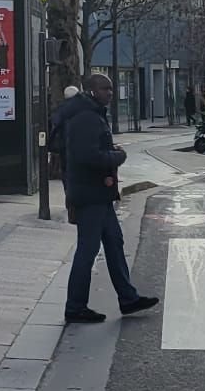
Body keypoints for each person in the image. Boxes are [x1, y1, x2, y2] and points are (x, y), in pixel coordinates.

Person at [59, 74, 159, 324]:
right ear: (92, 91)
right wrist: (117, 157)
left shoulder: (92, 114)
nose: (111, 93)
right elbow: (88, 156)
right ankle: (75, 307)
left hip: (98, 195)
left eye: (112, 88)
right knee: (88, 250)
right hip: (89, 194)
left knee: (114, 243)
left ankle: (128, 298)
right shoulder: (86, 118)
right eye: (105, 88)